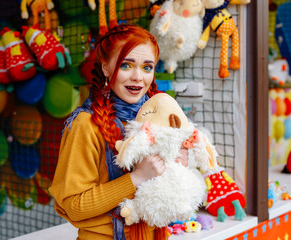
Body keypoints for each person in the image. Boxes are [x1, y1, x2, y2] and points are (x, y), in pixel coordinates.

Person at [49, 24, 188, 240]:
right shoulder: (85, 124)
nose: (137, 77)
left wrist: (177, 167)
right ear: (105, 68)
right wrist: (136, 178)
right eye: (126, 65)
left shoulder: (158, 117)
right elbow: (73, 206)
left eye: (147, 67)